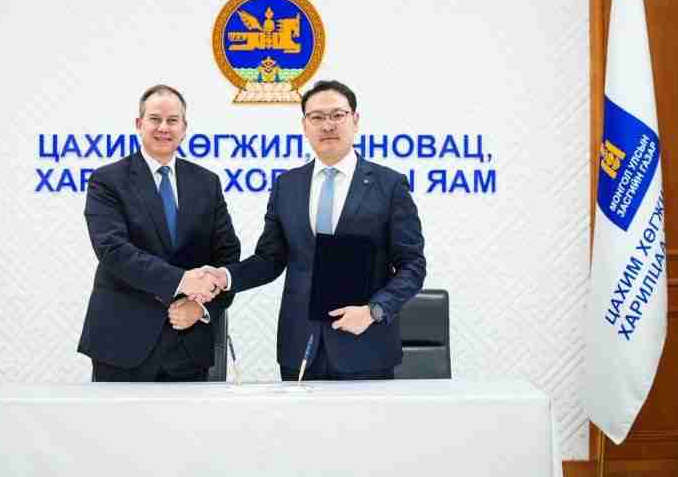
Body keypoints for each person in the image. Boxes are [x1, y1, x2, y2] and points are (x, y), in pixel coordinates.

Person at [201, 80, 426, 381]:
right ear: (304, 126)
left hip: (365, 345)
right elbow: (270, 259)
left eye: (337, 115)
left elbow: (413, 266)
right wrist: (226, 277)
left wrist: (374, 310)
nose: (327, 125)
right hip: (300, 347)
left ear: (355, 120)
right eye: (317, 117)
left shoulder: (389, 185)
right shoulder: (287, 186)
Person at [78, 85, 240, 382]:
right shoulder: (107, 180)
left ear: (184, 128)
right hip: (122, 342)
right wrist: (182, 280)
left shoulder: (207, 183)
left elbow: (227, 257)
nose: (164, 127)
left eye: (172, 120)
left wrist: (201, 307)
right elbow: (113, 250)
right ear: (139, 124)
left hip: (189, 342)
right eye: (155, 119)